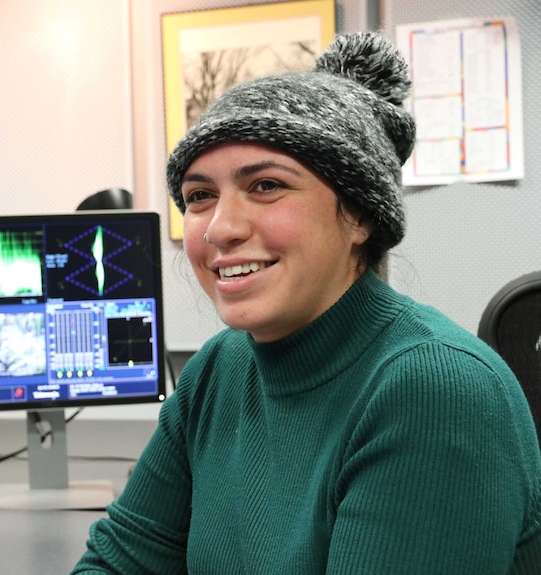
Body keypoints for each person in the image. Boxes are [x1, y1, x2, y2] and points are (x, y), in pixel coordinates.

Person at [71, 31, 541, 574]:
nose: (220, 228)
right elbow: (118, 562)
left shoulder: (435, 391)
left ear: (360, 216)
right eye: (201, 196)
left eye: (267, 186)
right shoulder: (218, 371)